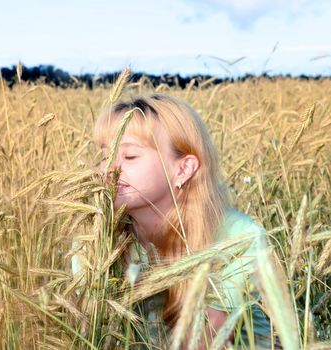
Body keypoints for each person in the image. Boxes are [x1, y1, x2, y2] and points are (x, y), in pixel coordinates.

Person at [90, 94, 278, 349]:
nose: (109, 170)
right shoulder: (95, 239)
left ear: (184, 169)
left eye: (130, 156)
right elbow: (88, 330)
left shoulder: (238, 238)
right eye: (105, 156)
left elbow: (204, 341)